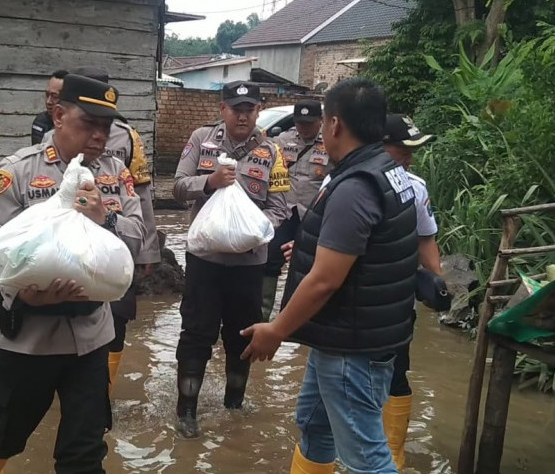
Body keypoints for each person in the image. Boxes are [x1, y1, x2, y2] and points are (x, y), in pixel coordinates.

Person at [241, 77, 418, 474]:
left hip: (351, 347)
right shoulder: (388, 170)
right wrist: (304, 245)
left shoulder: (356, 186)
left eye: (323, 121)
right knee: (315, 427)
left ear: (335, 124)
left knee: (366, 458)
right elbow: (369, 252)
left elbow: (326, 279)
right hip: (350, 336)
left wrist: (277, 330)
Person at [0, 74, 145, 474]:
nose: (100, 136)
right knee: (0, 433)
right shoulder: (16, 172)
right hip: (25, 337)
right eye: (90, 124)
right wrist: (25, 295)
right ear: (59, 115)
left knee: (84, 450)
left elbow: (138, 237)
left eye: (107, 127)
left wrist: (106, 220)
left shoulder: (115, 175)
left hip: (90, 336)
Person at [173, 80, 288, 438]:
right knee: (196, 332)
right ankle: (186, 412)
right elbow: (177, 187)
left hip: (249, 264)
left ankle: (234, 407)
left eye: (249, 109)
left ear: (258, 110)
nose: (243, 115)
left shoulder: (272, 151)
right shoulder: (201, 139)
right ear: (223, 109)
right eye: (235, 108)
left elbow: (281, 208)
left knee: (242, 337)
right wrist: (208, 183)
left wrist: (250, 232)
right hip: (205, 261)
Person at [71, 66, 161, 395]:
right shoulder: (50, 142)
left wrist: (148, 251)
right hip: (68, 261)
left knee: (117, 321)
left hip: (114, 253)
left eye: (105, 124)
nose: (99, 133)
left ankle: (101, 398)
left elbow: (142, 197)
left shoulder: (128, 139)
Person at [381, 113, 442, 470]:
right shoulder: (352, 182)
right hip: (355, 299)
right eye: (402, 148)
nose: (409, 157)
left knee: (396, 371)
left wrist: (437, 282)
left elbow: (426, 239)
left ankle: (393, 455)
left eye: (413, 150)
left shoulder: (415, 187)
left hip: (398, 298)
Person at [261, 99, 331, 321]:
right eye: (300, 123)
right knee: (270, 256)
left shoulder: (330, 144)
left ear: (321, 121)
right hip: (286, 212)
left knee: (312, 264)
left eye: (309, 123)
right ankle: (262, 315)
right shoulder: (282, 141)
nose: (304, 128)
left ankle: (306, 319)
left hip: (314, 216)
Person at [31, 69, 68, 145]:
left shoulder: (76, 126)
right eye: (47, 95)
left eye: (55, 96)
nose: (48, 101)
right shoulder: (41, 122)